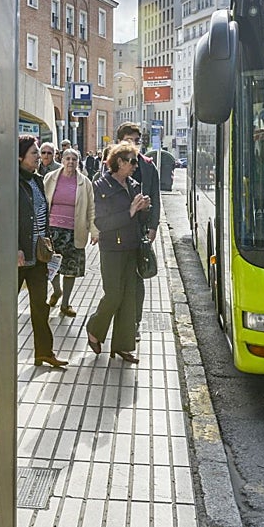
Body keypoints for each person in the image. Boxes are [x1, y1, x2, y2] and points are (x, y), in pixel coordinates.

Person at [85, 142, 150, 363]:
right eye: (132, 161)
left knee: (129, 296)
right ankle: (94, 327)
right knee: (113, 295)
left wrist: (143, 209)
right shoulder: (101, 186)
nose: (135, 166)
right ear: (119, 162)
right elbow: (102, 222)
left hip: (131, 247)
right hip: (112, 248)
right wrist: (130, 210)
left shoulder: (133, 184)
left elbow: (139, 219)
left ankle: (123, 345)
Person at [18, 134, 68, 368]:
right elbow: (6, 220)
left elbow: (42, 217)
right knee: (6, 307)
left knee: (40, 305)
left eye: (39, 153)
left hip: (38, 256)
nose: (39, 157)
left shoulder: (38, 181)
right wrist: (14, 248)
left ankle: (44, 352)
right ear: (20, 157)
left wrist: (48, 245)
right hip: (18, 257)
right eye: (34, 153)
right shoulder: (11, 182)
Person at [117, 122, 160, 343]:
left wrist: (153, 227)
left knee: (138, 278)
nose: (134, 143)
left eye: (137, 140)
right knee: (117, 281)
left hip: (140, 230)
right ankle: (118, 323)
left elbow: (155, 195)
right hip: (117, 230)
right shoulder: (111, 164)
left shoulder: (148, 166)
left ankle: (135, 322)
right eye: (130, 139)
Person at [43, 147, 97, 317]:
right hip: (52, 231)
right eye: (67, 159)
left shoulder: (85, 182)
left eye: (74, 159)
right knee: (51, 266)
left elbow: (92, 208)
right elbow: (42, 203)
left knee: (70, 268)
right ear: (62, 160)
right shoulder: (50, 178)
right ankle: (56, 291)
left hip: (74, 231)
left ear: (78, 162)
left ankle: (65, 304)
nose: (70, 162)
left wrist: (94, 231)